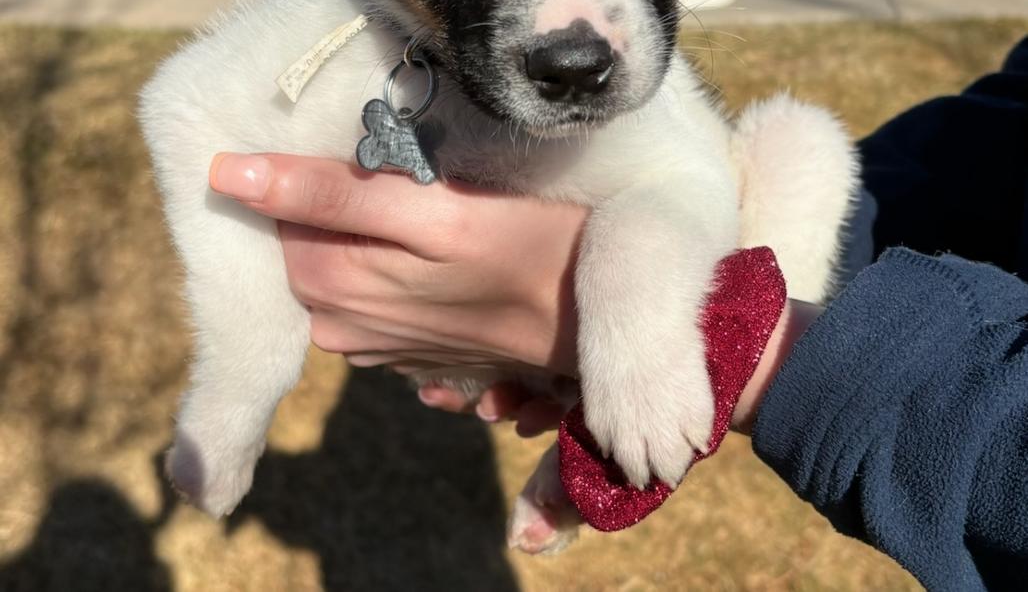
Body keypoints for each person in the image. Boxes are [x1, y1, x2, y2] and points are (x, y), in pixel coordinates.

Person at [210, 36, 1028, 588]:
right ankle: (593, 410)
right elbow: (996, 139)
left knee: (796, 144)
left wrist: (725, 339)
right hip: (739, 236)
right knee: (800, 142)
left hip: (717, 253)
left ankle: (601, 418)